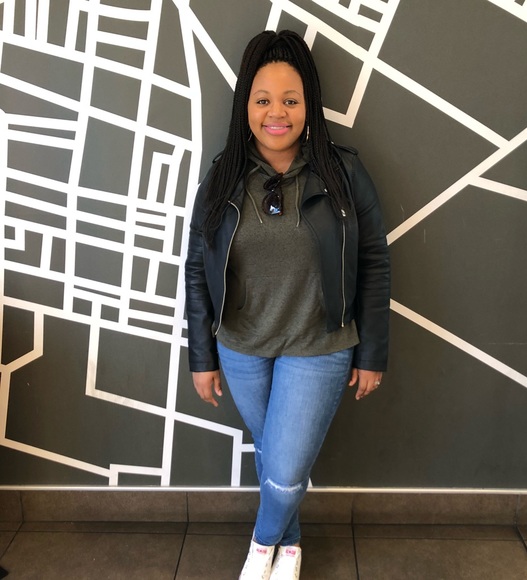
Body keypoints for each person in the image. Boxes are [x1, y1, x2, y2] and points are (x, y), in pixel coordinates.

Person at [185, 29, 390, 580]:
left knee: (285, 467)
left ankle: (261, 547)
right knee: (274, 457)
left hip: (319, 345)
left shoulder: (344, 174)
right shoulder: (223, 176)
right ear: (246, 107)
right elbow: (198, 268)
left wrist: (372, 352)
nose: (277, 113)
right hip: (241, 347)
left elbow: (374, 261)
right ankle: (291, 547)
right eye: (263, 100)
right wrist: (201, 356)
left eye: (290, 100)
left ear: (308, 105)